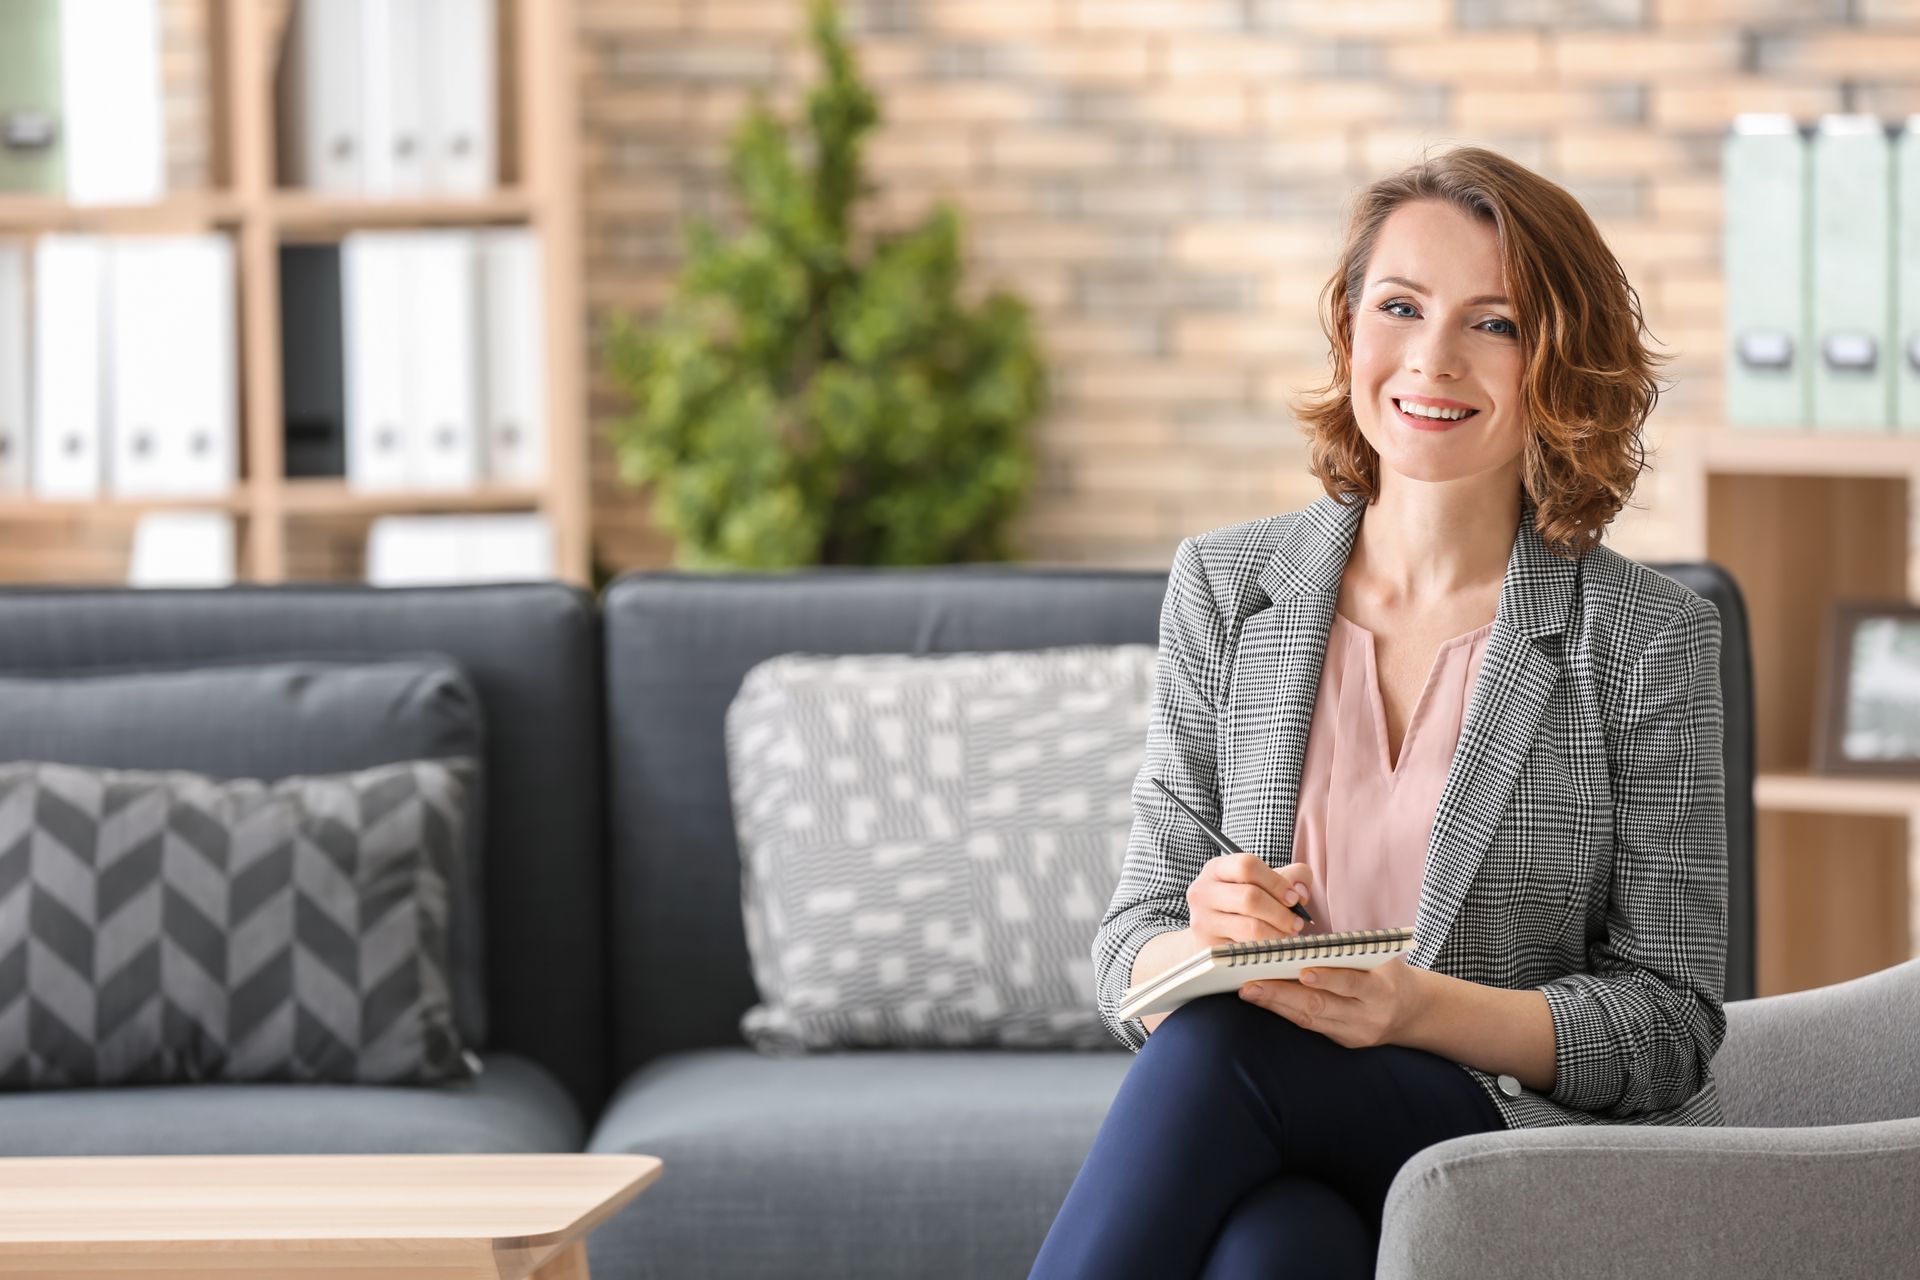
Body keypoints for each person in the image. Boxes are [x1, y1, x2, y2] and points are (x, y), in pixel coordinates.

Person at [1028, 145, 1728, 1279]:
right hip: (1286, 1131)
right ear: (1352, 329)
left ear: (1557, 361)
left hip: (1506, 1142)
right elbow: (1126, 947)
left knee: (1222, 1051)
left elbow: (1671, 1026)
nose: (1434, 358)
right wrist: (1196, 939)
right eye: (1400, 306)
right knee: (1277, 1249)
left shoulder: (1648, 639)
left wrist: (1416, 1009)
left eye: (1493, 322)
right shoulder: (1226, 587)